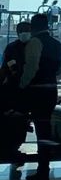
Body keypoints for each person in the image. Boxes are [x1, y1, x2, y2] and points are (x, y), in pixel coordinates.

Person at [19, 12, 61, 180]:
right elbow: (60, 69)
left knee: (36, 129)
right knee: (45, 130)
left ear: (33, 26)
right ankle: (44, 167)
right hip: (51, 90)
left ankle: (41, 171)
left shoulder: (34, 42)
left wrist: (22, 85)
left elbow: (31, 68)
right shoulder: (57, 45)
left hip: (37, 92)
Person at [0, 21, 32, 167]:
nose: (24, 33)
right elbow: (5, 69)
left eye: (26, 30)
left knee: (21, 123)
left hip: (27, 92)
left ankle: (13, 148)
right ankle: (10, 149)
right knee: (13, 122)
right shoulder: (12, 48)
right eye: (22, 31)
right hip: (13, 91)